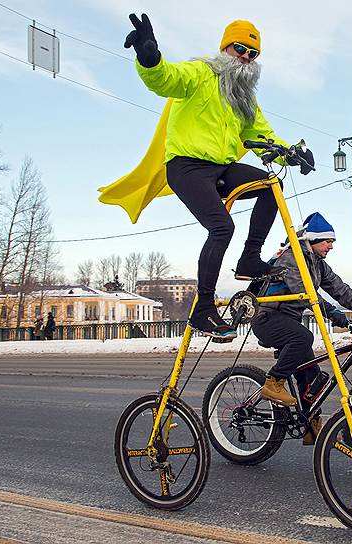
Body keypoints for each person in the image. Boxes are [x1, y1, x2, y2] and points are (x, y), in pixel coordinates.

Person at [124, 15, 314, 342]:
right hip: (187, 166)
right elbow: (167, 80)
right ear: (225, 47)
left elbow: (262, 135)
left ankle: (249, 258)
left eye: (253, 54)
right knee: (222, 226)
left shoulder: (244, 97)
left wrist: (292, 154)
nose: (245, 57)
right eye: (240, 49)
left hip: (221, 169)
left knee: (271, 184)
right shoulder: (201, 72)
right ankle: (203, 309)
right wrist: (149, 58)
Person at [251, 212, 352, 445]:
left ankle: (309, 423)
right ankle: (273, 383)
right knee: (304, 337)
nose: (331, 246)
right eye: (327, 241)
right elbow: (306, 295)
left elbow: (340, 289)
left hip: (289, 322)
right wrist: (333, 314)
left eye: (332, 242)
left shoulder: (318, 264)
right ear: (312, 240)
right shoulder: (292, 258)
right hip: (267, 318)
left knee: (311, 376)